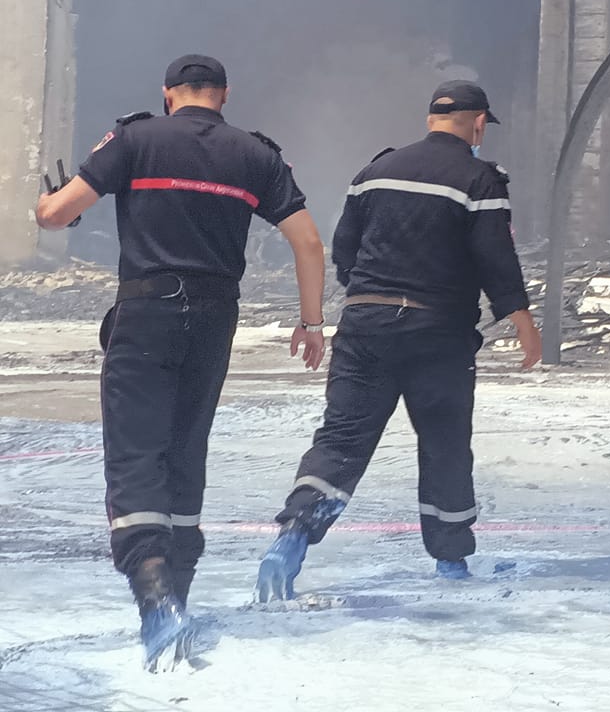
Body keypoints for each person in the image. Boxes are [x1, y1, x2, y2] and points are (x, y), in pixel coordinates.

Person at [35, 54, 327, 671]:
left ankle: (157, 601)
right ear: (224, 94)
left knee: (136, 451)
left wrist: (49, 205)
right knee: (185, 449)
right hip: (216, 320)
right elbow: (307, 240)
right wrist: (310, 322)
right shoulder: (257, 155)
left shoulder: (135, 138)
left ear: (168, 94)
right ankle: (180, 594)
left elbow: (57, 214)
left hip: (147, 312)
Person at [255, 80, 545, 601]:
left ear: (431, 118)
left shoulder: (375, 171)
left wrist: (368, 295)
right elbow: (495, 257)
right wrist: (521, 319)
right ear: (479, 123)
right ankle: (451, 559)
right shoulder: (479, 179)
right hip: (438, 333)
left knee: (341, 439)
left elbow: (346, 246)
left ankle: (293, 534)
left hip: (365, 325)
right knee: (444, 444)